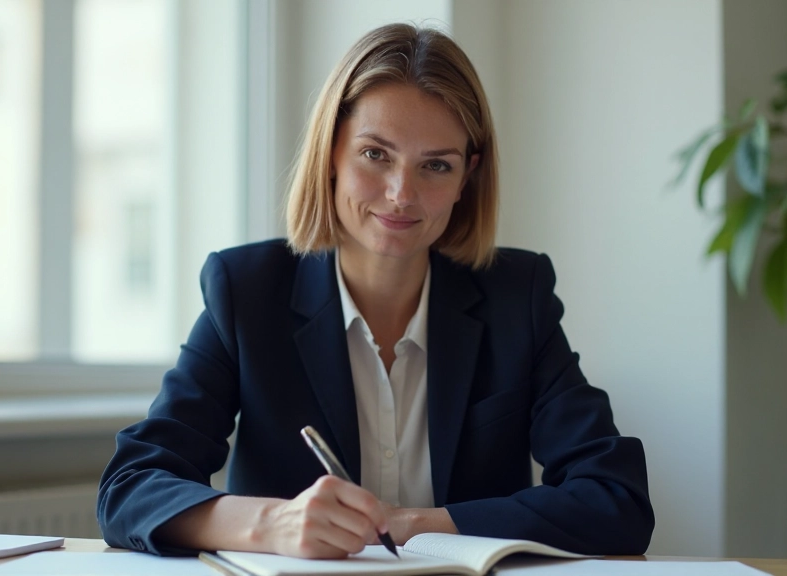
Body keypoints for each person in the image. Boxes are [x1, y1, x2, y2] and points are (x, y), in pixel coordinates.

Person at [97, 23, 654, 559]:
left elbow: (616, 499)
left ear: (467, 178)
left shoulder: (518, 296)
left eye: (436, 165)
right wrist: (274, 523)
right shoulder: (246, 292)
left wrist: (423, 525)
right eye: (375, 154)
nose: (400, 195)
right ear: (332, 152)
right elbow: (131, 488)